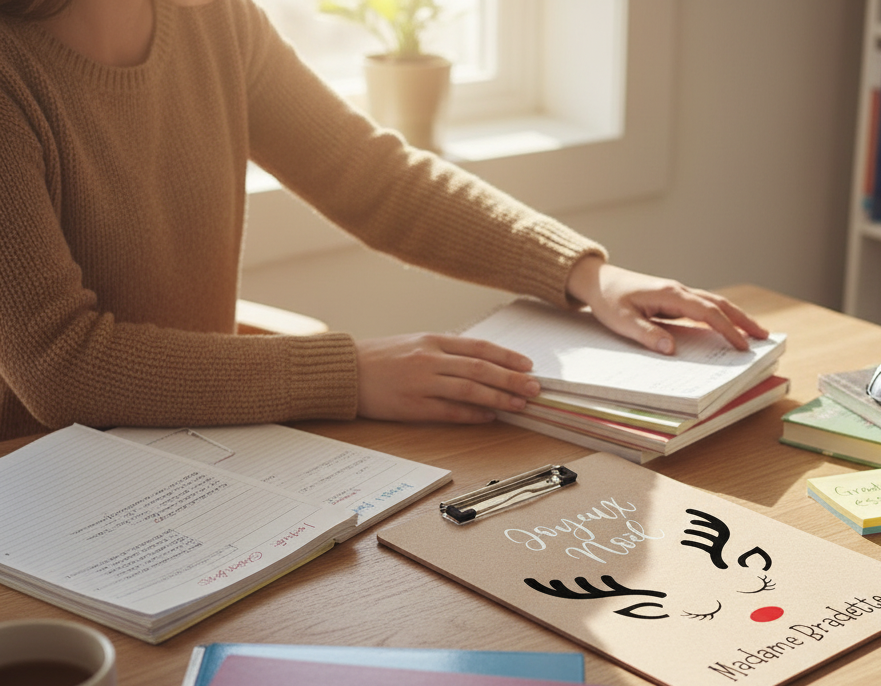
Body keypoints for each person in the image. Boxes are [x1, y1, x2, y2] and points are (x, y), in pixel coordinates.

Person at [0, 0, 768, 443]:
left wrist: (585, 275)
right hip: (41, 474)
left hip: (196, 442)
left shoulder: (212, 15)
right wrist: (353, 372)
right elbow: (62, 366)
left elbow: (368, 174)